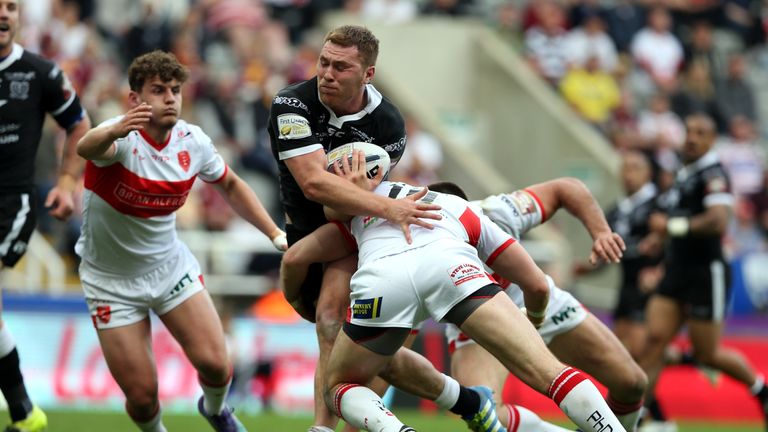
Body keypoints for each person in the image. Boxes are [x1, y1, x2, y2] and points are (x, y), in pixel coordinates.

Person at [295, 174, 629, 432]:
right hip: (476, 297)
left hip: (402, 286)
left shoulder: (369, 211)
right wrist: (534, 318)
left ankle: (443, 411)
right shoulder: (472, 215)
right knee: (551, 379)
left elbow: (295, 256)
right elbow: (537, 285)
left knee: (631, 384)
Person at [75, 50, 286, 432]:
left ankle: (216, 410)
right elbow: (86, 148)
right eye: (158, 90)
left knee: (218, 364)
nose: (171, 97)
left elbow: (231, 185)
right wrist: (114, 128)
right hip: (111, 282)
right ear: (135, 99)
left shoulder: (193, 141)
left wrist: (273, 232)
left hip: (169, 269)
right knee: (142, 397)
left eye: (175, 90)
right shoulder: (119, 139)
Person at [268, 24, 441, 431]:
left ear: (368, 74)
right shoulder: (292, 102)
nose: (327, 73)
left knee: (339, 321)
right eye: (324, 62)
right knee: (326, 317)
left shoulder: (388, 125)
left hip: (355, 230)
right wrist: (388, 206)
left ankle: (328, 427)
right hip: (309, 227)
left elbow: (349, 203)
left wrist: (374, 206)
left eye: (341, 67)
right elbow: (313, 183)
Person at [434, 178, 647, 432]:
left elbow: (566, 188)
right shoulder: (418, 249)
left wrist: (601, 232)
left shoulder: (497, 211)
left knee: (632, 384)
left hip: (541, 305)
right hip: (477, 323)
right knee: (486, 414)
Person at [637, 113, 768, 430]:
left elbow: (718, 220)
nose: (692, 137)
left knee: (706, 354)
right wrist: (660, 240)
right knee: (653, 342)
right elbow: (677, 220)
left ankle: (761, 390)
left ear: (712, 140)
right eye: (689, 131)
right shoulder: (685, 173)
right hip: (677, 270)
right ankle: (636, 418)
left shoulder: (714, 172)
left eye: (701, 132)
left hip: (705, 273)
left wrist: (670, 226)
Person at [0, 0, 91, 430]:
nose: (3, 15)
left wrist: (68, 182)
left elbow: (78, 123)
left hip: (10, 206)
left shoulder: (40, 73)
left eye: (11, 6)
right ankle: (23, 412)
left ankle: (22, 409)